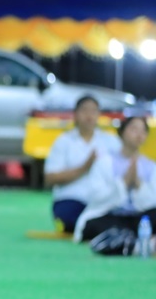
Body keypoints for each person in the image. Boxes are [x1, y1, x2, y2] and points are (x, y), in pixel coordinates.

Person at [44, 95, 121, 233]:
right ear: (75, 114)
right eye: (84, 110)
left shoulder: (111, 141)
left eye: (93, 111)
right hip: (72, 199)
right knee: (68, 215)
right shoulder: (64, 141)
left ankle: (93, 226)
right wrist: (84, 167)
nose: (89, 115)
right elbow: (50, 178)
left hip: (102, 200)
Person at [75, 115, 156, 241]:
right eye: (134, 129)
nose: (139, 134)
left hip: (139, 218)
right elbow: (95, 197)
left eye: (143, 131)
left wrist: (138, 184)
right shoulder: (104, 162)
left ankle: (127, 237)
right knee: (93, 225)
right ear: (122, 132)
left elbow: (153, 201)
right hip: (111, 216)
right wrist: (124, 183)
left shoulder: (150, 166)